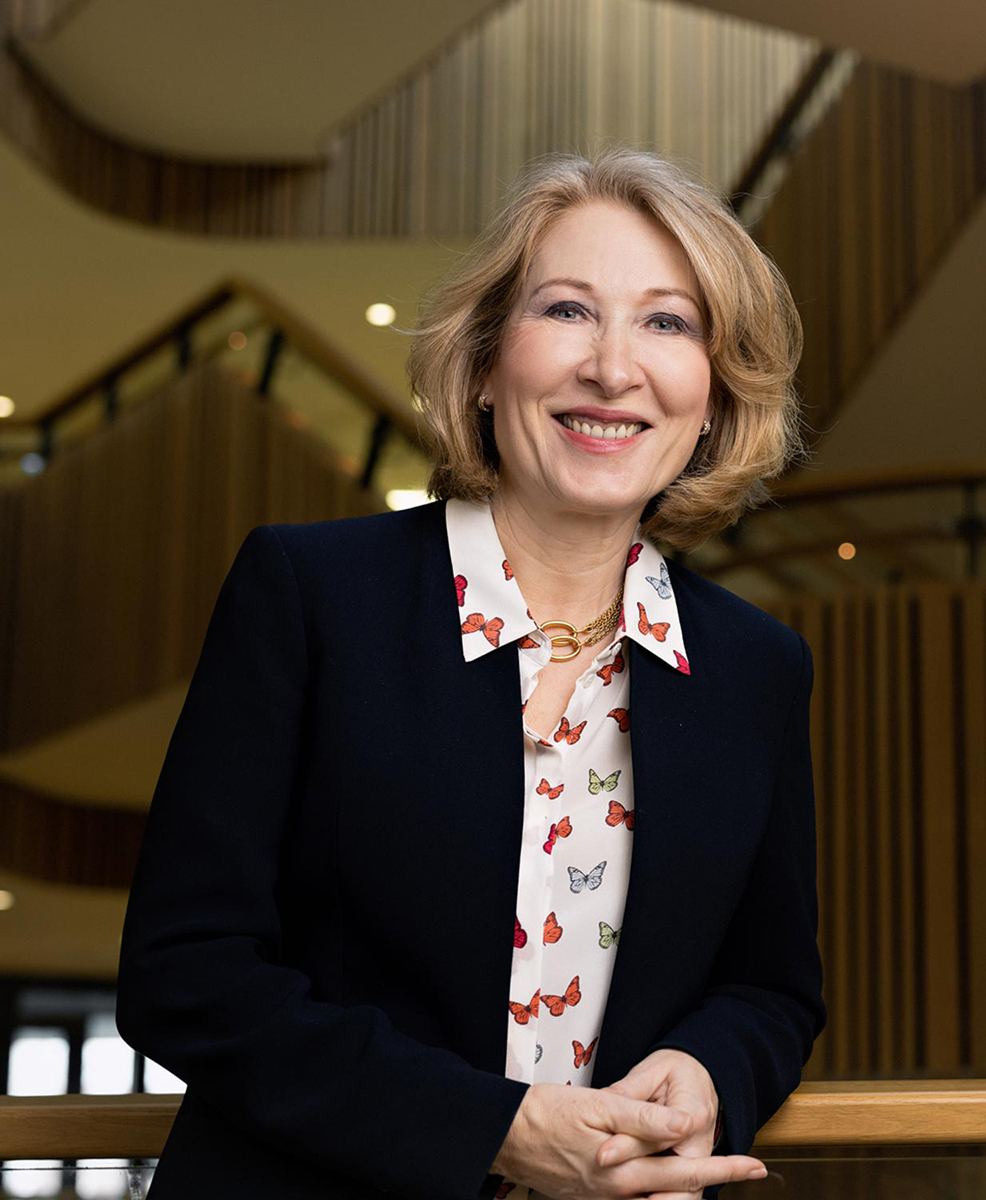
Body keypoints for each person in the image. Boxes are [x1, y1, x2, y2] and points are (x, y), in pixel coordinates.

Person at [115, 147, 826, 1199]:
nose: (614, 369)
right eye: (568, 310)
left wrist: (710, 1069)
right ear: (486, 362)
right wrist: (495, 1131)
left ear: (716, 396)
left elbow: (771, 988)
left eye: (668, 324)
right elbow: (185, 972)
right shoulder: (312, 596)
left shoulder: (756, 667)